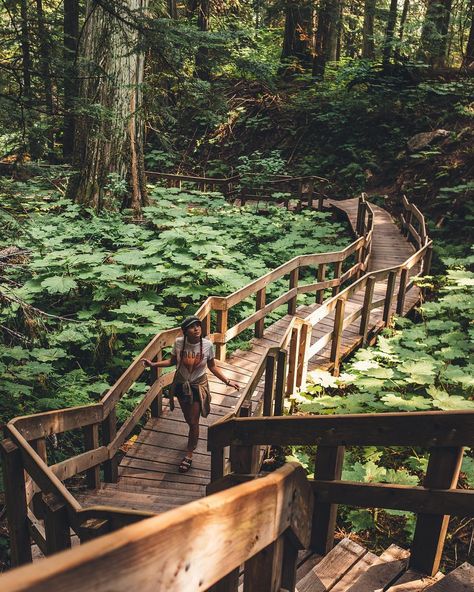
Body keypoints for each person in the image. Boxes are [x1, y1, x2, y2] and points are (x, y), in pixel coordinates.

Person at [141, 315, 240, 473]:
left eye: (198, 325)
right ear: (185, 331)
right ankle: (193, 437)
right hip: (180, 384)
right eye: (192, 327)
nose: (196, 329)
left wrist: (227, 381)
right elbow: (172, 362)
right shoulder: (179, 343)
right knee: (189, 419)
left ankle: (189, 453)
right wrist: (153, 364)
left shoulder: (207, 345)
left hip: (197, 385)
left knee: (194, 421)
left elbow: (212, 367)